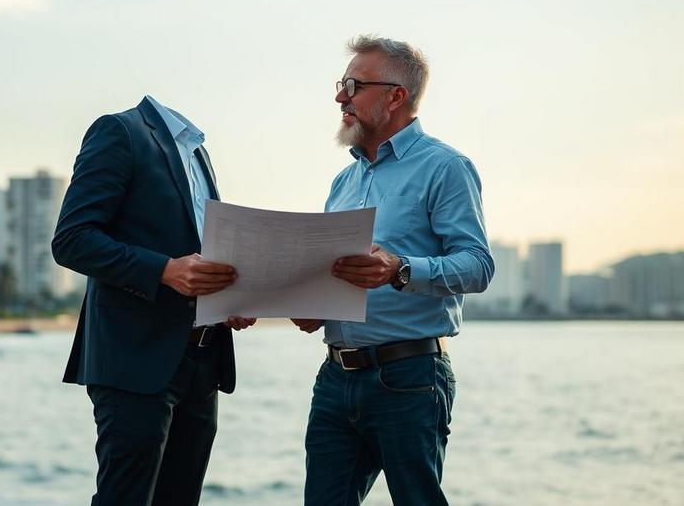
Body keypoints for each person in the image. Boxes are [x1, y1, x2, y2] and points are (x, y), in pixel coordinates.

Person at [293, 36, 495, 505]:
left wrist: (400, 268)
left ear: (395, 95)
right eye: (341, 85)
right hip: (335, 378)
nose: (340, 97)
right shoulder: (342, 182)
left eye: (352, 85)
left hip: (409, 378)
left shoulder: (446, 167)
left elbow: (478, 265)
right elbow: (339, 273)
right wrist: (314, 307)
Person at [52, 95, 255, 506]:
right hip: (134, 358)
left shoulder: (200, 153)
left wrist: (232, 297)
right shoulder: (120, 131)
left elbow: (198, 256)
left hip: (204, 359)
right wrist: (164, 270)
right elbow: (72, 241)